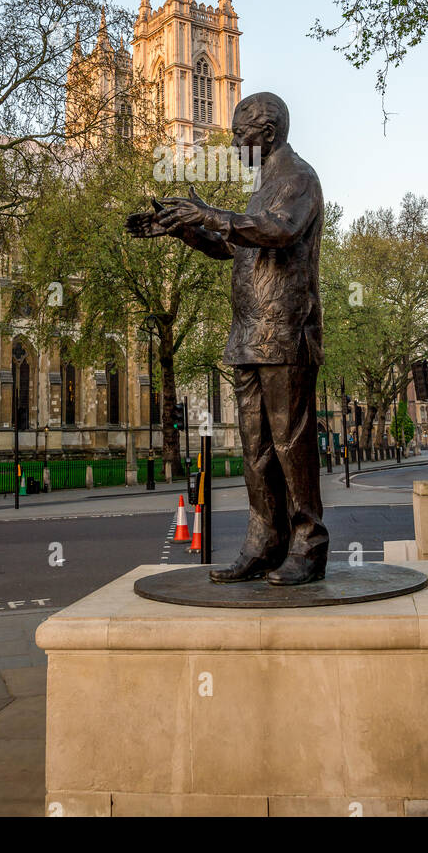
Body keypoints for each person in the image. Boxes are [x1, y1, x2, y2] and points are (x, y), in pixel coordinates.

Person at [126, 92, 329, 585]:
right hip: (249, 336)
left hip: (285, 332)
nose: (235, 145)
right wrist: (182, 228)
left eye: (242, 137)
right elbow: (234, 245)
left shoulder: (297, 178)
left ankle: (308, 543)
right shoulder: (262, 187)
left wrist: (210, 213)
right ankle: (265, 542)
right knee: (256, 448)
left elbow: (276, 233)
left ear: (270, 133)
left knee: (291, 442)